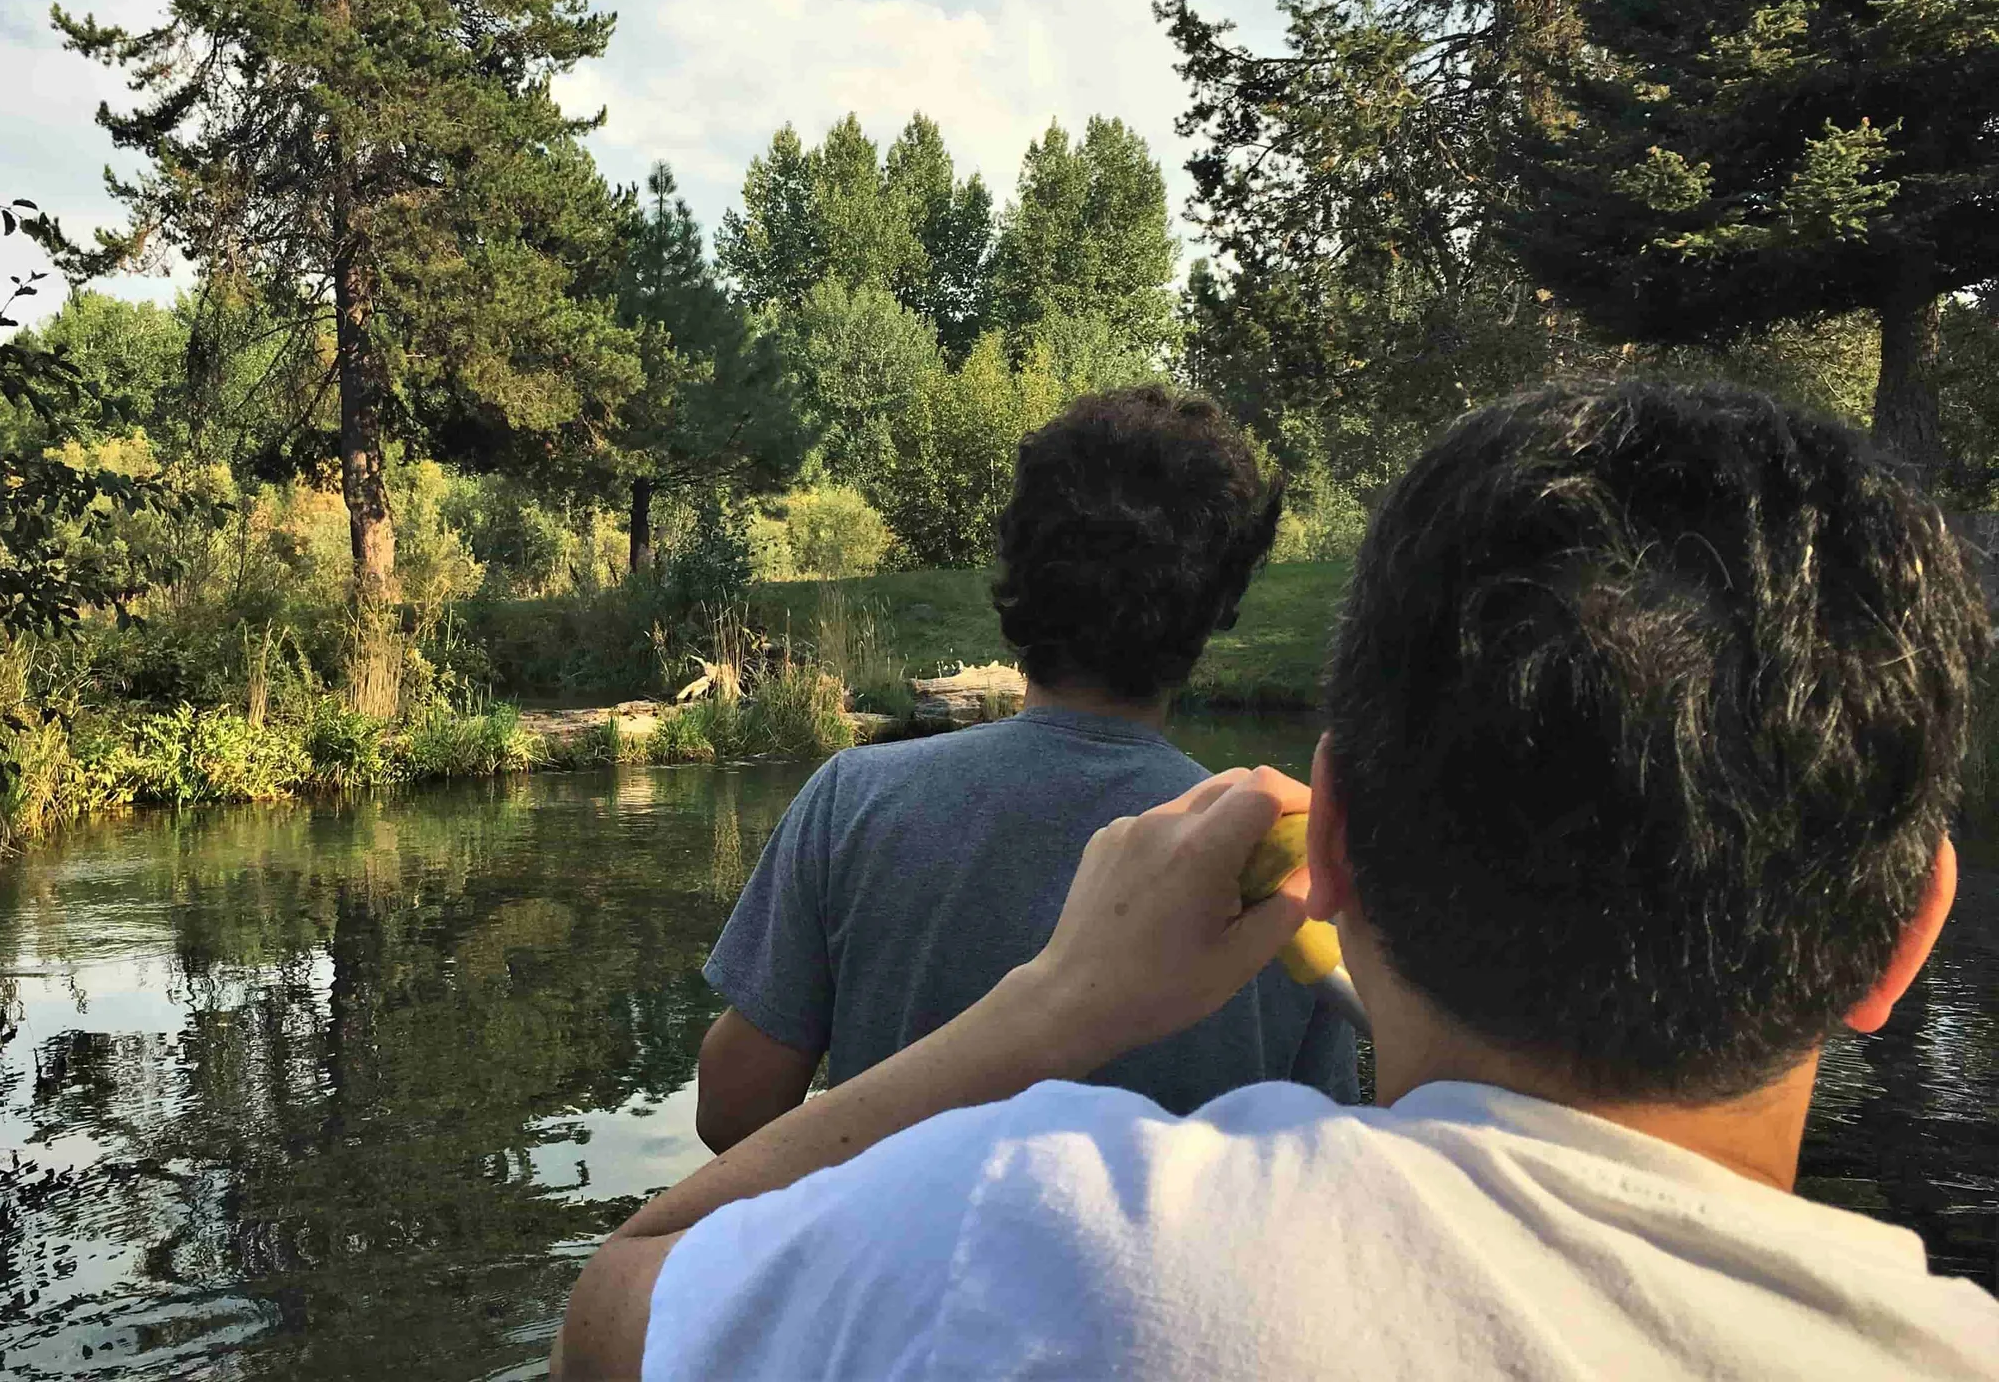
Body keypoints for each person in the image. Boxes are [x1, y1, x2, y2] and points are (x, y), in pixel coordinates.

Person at [560, 379, 1999, 1379]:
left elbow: (712, 1143)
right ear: (1904, 932)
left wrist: (1048, 1005)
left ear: (1343, 840)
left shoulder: (863, 833)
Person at [694, 385, 1354, 1154]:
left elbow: (733, 1116)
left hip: (899, 1274)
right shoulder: (1285, 869)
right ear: (1219, 607)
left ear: (1018, 569)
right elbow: (1317, 1159)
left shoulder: (852, 801)